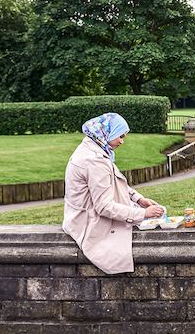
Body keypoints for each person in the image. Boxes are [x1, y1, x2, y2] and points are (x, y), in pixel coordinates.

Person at [63, 113, 164, 275]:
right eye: (120, 136)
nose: (121, 141)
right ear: (106, 133)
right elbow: (104, 207)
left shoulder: (94, 148)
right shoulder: (94, 161)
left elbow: (115, 181)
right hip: (87, 222)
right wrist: (143, 213)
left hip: (80, 215)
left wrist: (139, 199)